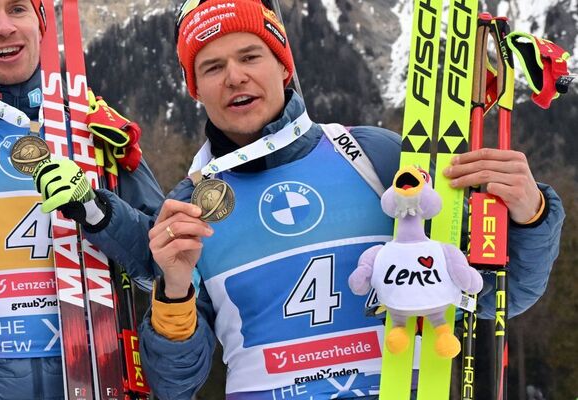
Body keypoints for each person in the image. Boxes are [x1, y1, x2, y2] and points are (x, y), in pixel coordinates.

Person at [31, 0, 565, 398]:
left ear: (285, 66)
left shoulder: (375, 157)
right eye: (211, 67)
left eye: (250, 56)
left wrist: (530, 214)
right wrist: (173, 289)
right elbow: (175, 381)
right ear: (194, 88)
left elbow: (498, 298)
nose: (235, 76)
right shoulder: (193, 204)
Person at [0, 0, 164, 398]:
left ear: (42, 25)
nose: (4, 27)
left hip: (93, 375)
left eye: (18, 9)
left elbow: (165, 264)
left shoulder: (93, 126)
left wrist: (99, 211)